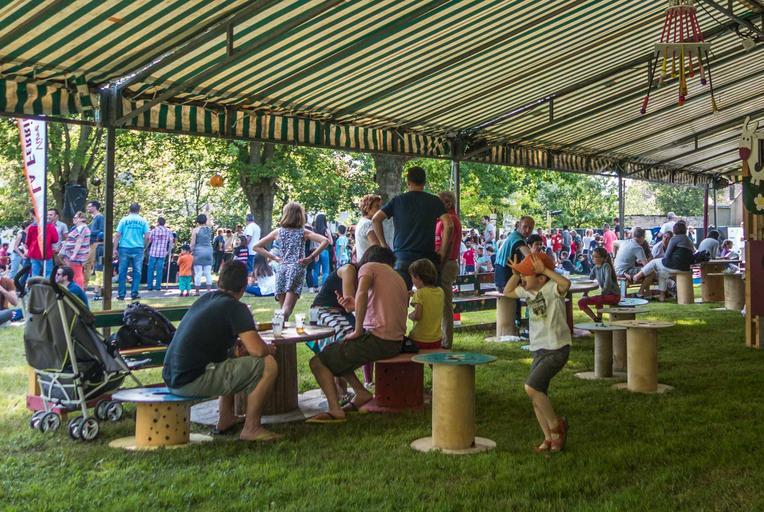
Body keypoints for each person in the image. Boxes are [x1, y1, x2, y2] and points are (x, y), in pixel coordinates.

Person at [163, 260, 281, 442]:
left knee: (231, 362)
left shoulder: (205, 300)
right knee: (268, 364)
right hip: (191, 381)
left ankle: (226, 418)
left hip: (173, 378)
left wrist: (238, 352)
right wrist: (268, 349)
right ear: (244, 286)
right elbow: (257, 350)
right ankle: (252, 428)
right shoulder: (235, 307)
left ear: (219, 282)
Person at [306, 246, 407, 422]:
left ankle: (335, 410)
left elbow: (361, 293)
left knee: (317, 362)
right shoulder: (397, 277)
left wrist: (358, 330)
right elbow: (366, 303)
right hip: (395, 342)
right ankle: (360, 392)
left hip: (379, 340)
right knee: (338, 353)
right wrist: (352, 305)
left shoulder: (368, 267)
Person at [503, 253, 570, 453]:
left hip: (556, 348)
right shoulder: (527, 292)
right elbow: (507, 292)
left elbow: (566, 284)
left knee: (531, 387)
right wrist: (515, 274)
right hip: (539, 349)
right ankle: (549, 438)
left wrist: (546, 270)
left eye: (526, 275)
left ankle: (557, 426)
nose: (523, 279)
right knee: (538, 396)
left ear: (541, 278)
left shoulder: (552, 289)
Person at [372, 166, 452, 290]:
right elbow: (449, 224)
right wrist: (443, 250)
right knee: (431, 298)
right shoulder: (434, 201)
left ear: (408, 182)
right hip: (427, 259)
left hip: (402, 257)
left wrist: (383, 244)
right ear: (424, 182)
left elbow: (376, 219)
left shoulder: (398, 201)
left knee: (400, 297)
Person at [254, 202, 329, 322]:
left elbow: (256, 246)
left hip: (282, 268)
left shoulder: (278, 232)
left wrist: (274, 258)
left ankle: (279, 329)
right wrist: (310, 258)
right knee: (286, 309)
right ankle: (277, 324)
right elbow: (325, 241)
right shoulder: (303, 232)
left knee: (283, 309)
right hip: (297, 268)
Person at [633, 221, 694, 302]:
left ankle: (637, 276)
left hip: (675, 266)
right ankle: (662, 296)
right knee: (662, 273)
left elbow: (666, 256)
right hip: (685, 268)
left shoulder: (674, 239)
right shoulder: (689, 240)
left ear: (675, 230)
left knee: (654, 262)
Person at [435, 191, 461, 349]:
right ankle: (441, 338)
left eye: (445, 201)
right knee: (442, 303)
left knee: (445, 304)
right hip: (445, 261)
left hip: (446, 262)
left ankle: (446, 341)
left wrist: (441, 262)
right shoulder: (444, 219)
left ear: (450, 203)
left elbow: (448, 243)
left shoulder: (450, 219)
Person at [114, 203, 149, 301]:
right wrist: (144, 247)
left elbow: (118, 235)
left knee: (122, 271)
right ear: (139, 210)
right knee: (137, 271)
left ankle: (121, 294)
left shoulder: (124, 220)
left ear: (129, 210)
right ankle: (134, 293)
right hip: (138, 248)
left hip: (124, 247)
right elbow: (147, 236)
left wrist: (114, 249)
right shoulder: (143, 221)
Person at [408, 259, 444, 349]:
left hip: (419, 339)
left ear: (418, 277)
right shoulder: (440, 291)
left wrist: (410, 316)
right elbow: (430, 299)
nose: (412, 281)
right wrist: (414, 295)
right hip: (437, 339)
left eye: (412, 277)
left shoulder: (420, 293)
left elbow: (417, 316)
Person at [578, 247, 620, 322]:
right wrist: (585, 293)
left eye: (596, 257)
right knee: (581, 302)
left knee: (598, 299)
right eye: (592, 256)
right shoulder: (595, 268)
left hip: (614, 296)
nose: (593, 258)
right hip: (605, 296)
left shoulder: (606, 266)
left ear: (603, 258)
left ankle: (598, 319)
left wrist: (603, 294)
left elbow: (608, 282)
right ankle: (596, 319)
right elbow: (589, 281)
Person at [494, 216, 534, 291]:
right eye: (525, 226)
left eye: (530, 228)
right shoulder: (516, 238)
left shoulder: (515, 236)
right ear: (519, 225)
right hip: (505, 275)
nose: (527, 230)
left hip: (503, 274)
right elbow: (530, 257)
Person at [616, 227, 653, 296]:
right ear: (642, 237)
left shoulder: (624, 242)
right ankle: (640, 292)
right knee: (651, 272)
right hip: (625, 271)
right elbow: (647, 266)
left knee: (644, 271)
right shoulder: (638, 247)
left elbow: (614, 243)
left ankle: (647, 293)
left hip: (616, 270)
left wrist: (614, 255)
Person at [59, 211, 91, 288]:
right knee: (75, 273)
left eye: (75, 217)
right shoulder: (80, 228)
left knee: (77, 274)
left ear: (81, 219)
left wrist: (74, 255)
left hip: (77, 257)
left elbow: (79, 242)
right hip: (73, 255)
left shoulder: (82, 229)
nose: (73, 219)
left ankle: (78, 290)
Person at [26, 212, 59, 278]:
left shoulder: (31, 227)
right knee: (48, 273)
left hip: (34, 253)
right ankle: (46, 285)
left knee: (34, 273)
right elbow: (55, 239)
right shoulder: (50, 226)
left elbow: (27, 242)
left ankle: (33, 285)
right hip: (46, 253)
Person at [146, 217, 173, 291]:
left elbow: (149, 240)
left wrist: (145, 248)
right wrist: (169, 251)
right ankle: (158, 286)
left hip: (153, 252)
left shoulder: (154, 230)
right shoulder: (168, 231)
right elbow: (171, 242)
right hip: (162, 252)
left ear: (158, 222)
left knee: (150, 269)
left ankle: (149, 286)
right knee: (159, 270)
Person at [191, 214, 214, 295]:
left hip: (198, 251)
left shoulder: (195, 230)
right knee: (208, 272)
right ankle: (209, 290)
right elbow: (209, 221)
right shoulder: (209, 229)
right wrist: (207, 211)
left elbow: (193, 243)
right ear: (205, 221)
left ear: (197, 221)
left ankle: (197, 291)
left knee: (198, 272)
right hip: (208, 250)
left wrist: (191, 251)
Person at [83, 201, 104, 288]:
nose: (87, 208)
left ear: (95, 207)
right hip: (92, 244)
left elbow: (102, 230)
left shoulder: (100, 217)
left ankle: (98, 286)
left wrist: (90, 232)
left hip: (96, 244)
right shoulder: (94, 218)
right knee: (89, 264)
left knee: (95, 264)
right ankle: (86, 285)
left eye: (89, 207)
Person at [311, 213, 333, 287]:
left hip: (316, 251)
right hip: (325, 250)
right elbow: (331, 242)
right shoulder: (326, 230)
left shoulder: (313, 230)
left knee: (316, 270)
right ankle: (324, 286)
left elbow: (313, 242)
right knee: (325, 270)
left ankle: (315, 286)